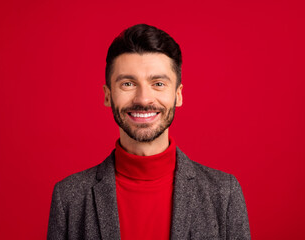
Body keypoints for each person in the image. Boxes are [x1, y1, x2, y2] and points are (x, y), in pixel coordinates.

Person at [47, 24, 250, 240]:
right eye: (128, 83)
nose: (143, 99)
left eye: (158, 83)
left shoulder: (224, 193)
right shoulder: (69, 197)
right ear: (108, 95)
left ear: (178, 95)